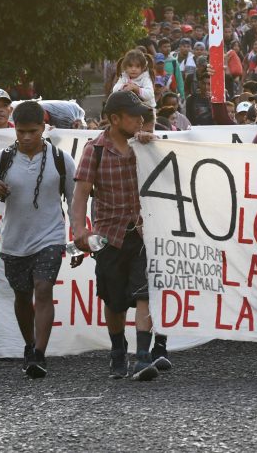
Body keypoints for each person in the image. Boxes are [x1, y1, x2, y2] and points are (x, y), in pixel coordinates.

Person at [69, 91, 166, 381]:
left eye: (141, 116)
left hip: (143, 232)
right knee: (113, 301)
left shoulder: (145, 145)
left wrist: (153, 145)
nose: (139, 121)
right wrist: (79, 230)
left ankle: (143, 355)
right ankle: (117, 350)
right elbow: (80, 194)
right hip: (108, 235)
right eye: (133, 116)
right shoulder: (95, 149)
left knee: (145, 292)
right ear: (114, 119)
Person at [0, 100, 76, 378]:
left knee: (43, 289)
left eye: (32, 131)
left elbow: (74, 200)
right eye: (20, 131)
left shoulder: (61, 159)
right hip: (14, 241)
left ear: (44, 128)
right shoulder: (2, 159)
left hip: (50, 237)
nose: (26, 137)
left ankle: (39, 354)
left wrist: (78, 235)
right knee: (22, 296)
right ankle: (29, 345)